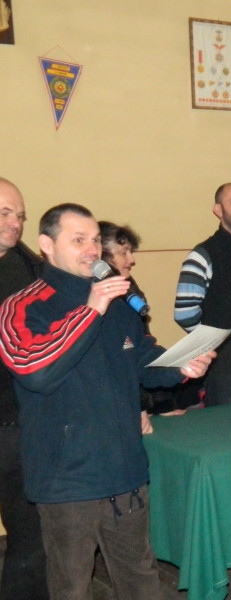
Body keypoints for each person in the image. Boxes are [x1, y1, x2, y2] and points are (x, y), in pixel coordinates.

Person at [0, 203, 214, 600]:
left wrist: (182, 365)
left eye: (96, 240)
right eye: (78, 240)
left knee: (141, 582)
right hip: (66, 480)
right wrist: (91, 309)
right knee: (71, 587)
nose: (91, 250)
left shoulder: (117, 304)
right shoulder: (22, 307)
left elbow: (143, 360)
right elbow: (35, 370)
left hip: (125, 471)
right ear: (46, 244)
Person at [0, 177, 48, 599]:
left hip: (19, 423)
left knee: (30, 532)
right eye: (4, 213)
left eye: (20, 216)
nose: (15, 223)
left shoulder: (29, 266)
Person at [174, 182, 231, 405]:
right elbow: (184, 313)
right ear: (218, 210)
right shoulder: (203, 255)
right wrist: (214, 344)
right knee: (227, 426)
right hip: (225, 372)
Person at [100, 221, 192, 418]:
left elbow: (141, 349)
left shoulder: (128, 287)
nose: (131, 260)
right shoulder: (98, 301)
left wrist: (161, 404)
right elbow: (120, 364)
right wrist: (140, 407)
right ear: (101, 257)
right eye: (123, 252)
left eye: (130, 252)